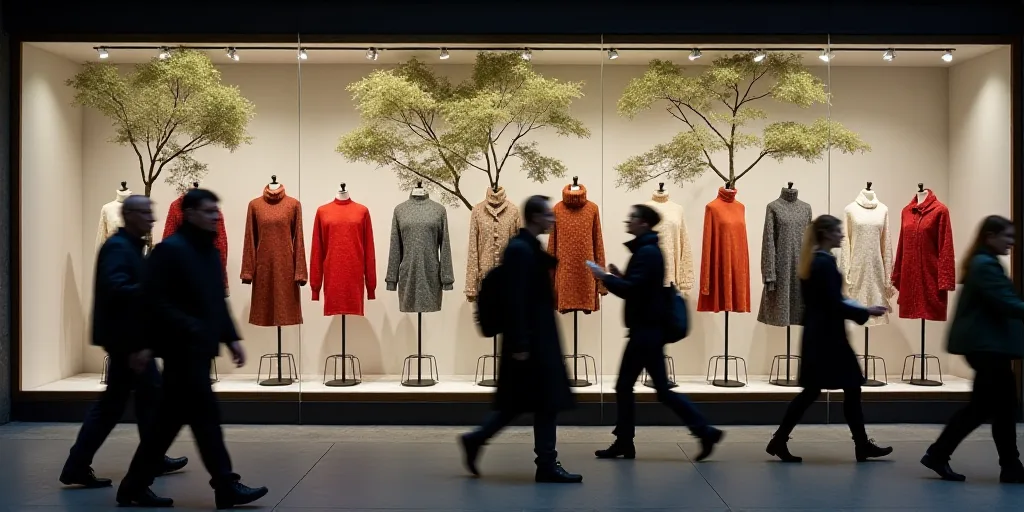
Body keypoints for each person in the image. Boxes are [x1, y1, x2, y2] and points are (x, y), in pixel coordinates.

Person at [116, 189, 267, 508]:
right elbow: (152, 301)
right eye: (209, 210)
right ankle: (224, 486)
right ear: (191, 213)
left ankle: (134, 485)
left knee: (171, 424)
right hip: (179, 349)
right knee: (203, 420)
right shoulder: (170, 251)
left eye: (217, 211)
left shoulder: (209, 251)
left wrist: (231, 337)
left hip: (198, 349)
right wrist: (186, 329)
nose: (215, 216)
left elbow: (216, 301)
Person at [59, 195, 188, 488]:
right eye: (145, 213)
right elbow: (118, 290)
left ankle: (83, 463)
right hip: (126, 341)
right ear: (129, 216)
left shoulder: (128, 247)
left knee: (132, 401)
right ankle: (87, 464)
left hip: (128, 339)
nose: (151, 218)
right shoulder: (119, 248)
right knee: (131, 401)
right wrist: (151, 291)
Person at [459, 195, 582, 484]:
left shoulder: (527, 247)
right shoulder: (520, 250)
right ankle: (546, 464)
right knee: (541, 402)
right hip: (531, 342)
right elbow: (516, 300)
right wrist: (521, 343)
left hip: (534, 338)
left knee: (525, 403)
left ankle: (479, 440)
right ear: (536, 217)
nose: (553, 219)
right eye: (548, 215)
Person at [589, 204, 724, 461]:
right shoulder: (648, 250)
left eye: (633, 217)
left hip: (645, 332)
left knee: (626, 386)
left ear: (644, 223)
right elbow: (640, 285)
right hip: (649, 330)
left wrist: (605, 277)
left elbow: (634, 291)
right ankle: (703, 431)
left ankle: (627, 441)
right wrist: (620, 276)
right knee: (658, 390)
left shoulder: (648, 252)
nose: (628, 220)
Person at [765, 214, 892, 463]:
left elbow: (830, 301)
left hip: (820, 336)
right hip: (828, 339)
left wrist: (861, 310)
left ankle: (780, 440)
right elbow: (833, 303)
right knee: (845, 388)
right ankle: (860, 444)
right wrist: (865, 311)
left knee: (819, 391)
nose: (842, 235)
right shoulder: (822, 263)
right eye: (837, 231)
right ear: (825, 233)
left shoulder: (815, 260)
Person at [921, 215, 1024, 482]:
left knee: (998, 408)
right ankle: (940, 454)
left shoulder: (983, 262)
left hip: (987, 347)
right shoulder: (985, 265)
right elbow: (1007, 301)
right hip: (986, 347)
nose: (1011, 243)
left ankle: (1009, 466)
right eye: (1007, 237)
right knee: (989, 408)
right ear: (990, 236)